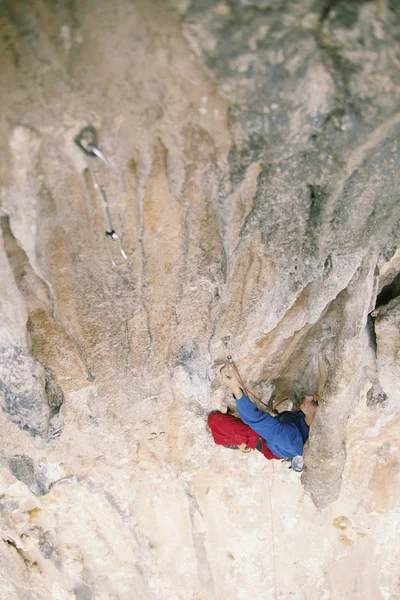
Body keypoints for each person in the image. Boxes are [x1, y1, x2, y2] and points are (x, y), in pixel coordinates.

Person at [207, 363, 317, 467]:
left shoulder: (290, 439)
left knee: (214, 420)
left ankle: (238, 443)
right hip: (278, 440)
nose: (308, 396)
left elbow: (256, 419)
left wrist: (234, 387)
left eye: (313, 402)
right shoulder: (309, 420)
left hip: (264, 442)